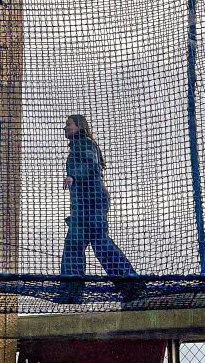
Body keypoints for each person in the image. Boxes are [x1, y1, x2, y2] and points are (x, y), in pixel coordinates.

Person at [58, 114, 142, 304]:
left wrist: (73, 177)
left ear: (79, 126)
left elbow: (89, 165)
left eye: (68, 125)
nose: (66, 129)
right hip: (86, 205)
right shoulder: (81, 145)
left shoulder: (84, 144)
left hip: (90, 204)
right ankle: (129, 283)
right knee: (82, 245)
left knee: (92, 245)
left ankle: (73, 289)